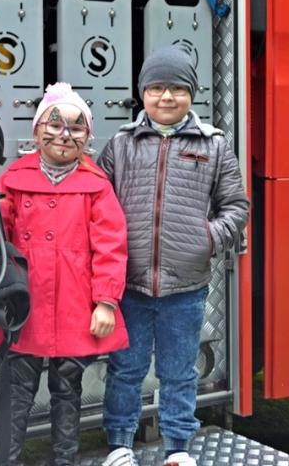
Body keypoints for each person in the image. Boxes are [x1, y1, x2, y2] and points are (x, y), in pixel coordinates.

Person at [98, 44, 249, 466]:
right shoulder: (122, 144)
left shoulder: (214, 145)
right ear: (143, 93)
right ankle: (119, 445)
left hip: (186, 288)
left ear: (191, 94)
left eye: (178, 89)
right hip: (128, 285)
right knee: (125, 369)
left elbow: (236, 207)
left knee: (179, 372)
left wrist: (207, 239)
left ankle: (178, 448)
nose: (167, 97)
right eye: (157, 88)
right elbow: (97, 204)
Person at [0, 82, 129, 466]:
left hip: (74, 305)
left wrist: (106, 302)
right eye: (54, 125)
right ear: (36, 132)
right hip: (24, 305)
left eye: (76, 127)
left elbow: (111, 246)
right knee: (16, 389)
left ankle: (65, 461)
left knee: (67, 388)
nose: (64, 135)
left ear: (87, 136)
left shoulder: (97, 186)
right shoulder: (12, 178)